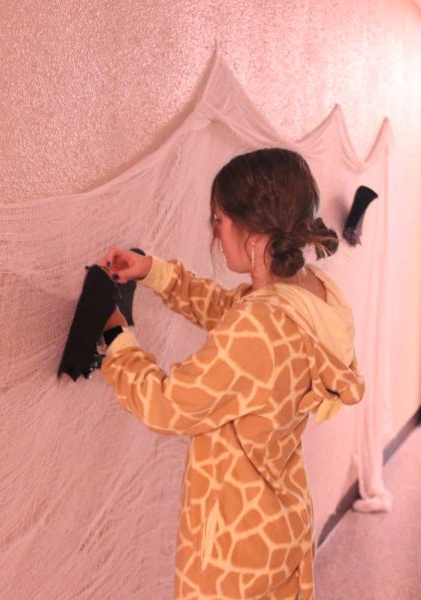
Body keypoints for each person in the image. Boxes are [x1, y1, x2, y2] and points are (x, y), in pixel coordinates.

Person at [97, 148, 365, 600]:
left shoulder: (260, 325)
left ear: (254, 233)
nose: (215, 231)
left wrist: (117, 340)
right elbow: (234, 311)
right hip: (281, 524)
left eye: (219, 219)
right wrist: (157, 274)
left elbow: (167, 405)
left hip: (234, 551)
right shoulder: (311, 295)